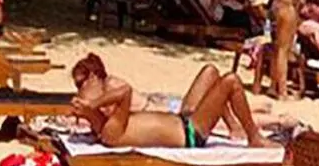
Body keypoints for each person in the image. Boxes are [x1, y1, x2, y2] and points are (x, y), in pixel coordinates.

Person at [70, 54, 274, 148]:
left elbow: (122, 93)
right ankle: (254, 137)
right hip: (191, 133)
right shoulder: (110, 131)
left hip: (183, 119)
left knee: (210, 71)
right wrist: (91, 106)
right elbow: (125, 92)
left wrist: (91, 107)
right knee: (231, 81)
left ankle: (233, 126)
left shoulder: (109, 124)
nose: (81, 89)